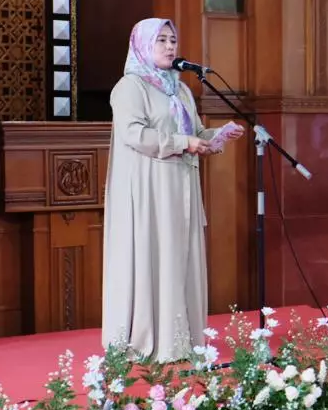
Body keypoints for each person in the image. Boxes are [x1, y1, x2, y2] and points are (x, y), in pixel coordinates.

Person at [101, 18, 245, 362]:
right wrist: (186, 141)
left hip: (180, 183)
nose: (170, 46)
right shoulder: (129, 87)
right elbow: (135, 135)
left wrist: (217, 136)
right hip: (149, 188)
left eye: (173, 40)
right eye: (161, 40)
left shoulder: (179, 89)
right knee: (156, 253)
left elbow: (194, 133)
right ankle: (150, 340)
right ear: (143, 45)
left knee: (178, 255)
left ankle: (181, 339)